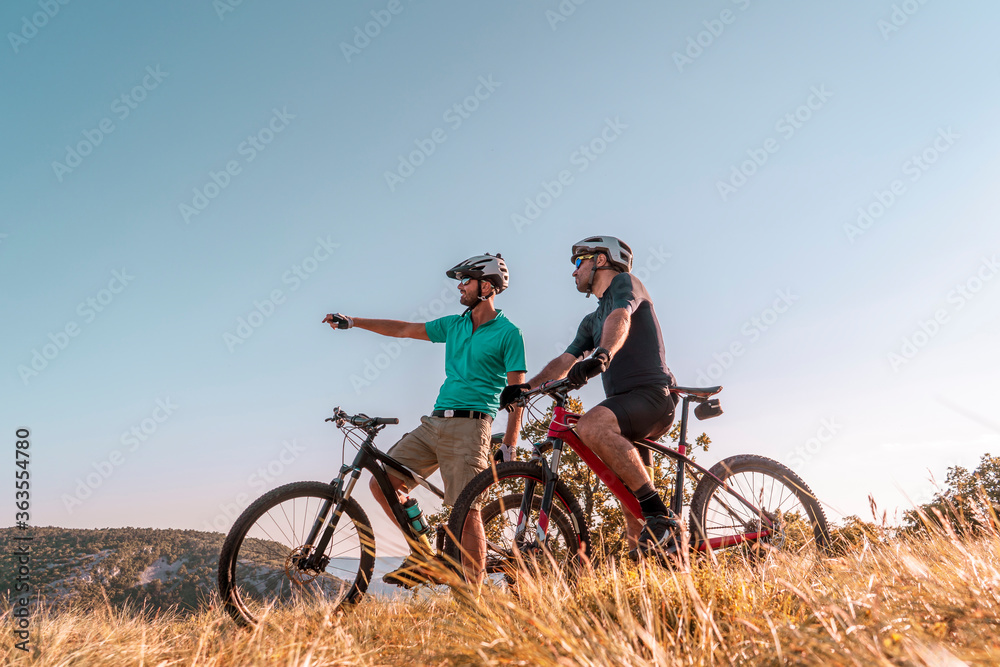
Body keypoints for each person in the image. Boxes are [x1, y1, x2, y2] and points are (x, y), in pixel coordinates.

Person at [324, 253, 526, 585]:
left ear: (487, 287)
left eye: (466, 281)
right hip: (434, 423)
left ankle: (475, 609)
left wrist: (510, 444)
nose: (459, 287)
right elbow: (404, 329)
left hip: (471, 427)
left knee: (466, 510)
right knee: (383, 483)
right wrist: (354, 321)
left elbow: (517, 392)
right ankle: (423, 555)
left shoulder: (508, 333)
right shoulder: (454, 325)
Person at [500, 236, 678, 559]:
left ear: (600, 260)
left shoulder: (626, 285)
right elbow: (563, 363)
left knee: (591, 425)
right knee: (630, 509)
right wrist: (527, 389)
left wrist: (603, 355)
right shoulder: (591, 320)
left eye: (578, 262)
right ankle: (662, 569)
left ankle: (661, 517)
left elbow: (621, 319)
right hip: (626, 416)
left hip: (652, 398)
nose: (573, 272)